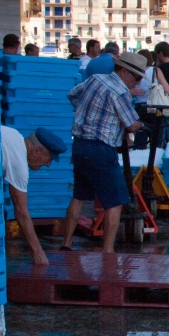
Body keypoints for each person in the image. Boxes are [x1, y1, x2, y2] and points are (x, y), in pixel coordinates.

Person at [60, 52, 147, 253]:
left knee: (79, 196)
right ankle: (108, 251)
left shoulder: (95, 79)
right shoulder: (120, 92)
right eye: (136, 77)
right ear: (124, 71)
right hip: (101, 148)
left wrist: (88, 112)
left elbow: (72, 95)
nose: (138, 81)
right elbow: (131, 125)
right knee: (115, 202)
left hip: (80, 145)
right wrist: (141, 123)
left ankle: (66, 243)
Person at [2, 126, 68, 265]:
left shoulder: (15, 135)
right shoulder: (19, 163)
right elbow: (21, 211)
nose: (48, 164)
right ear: (36, 150)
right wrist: (38, 252)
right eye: (49, 158)